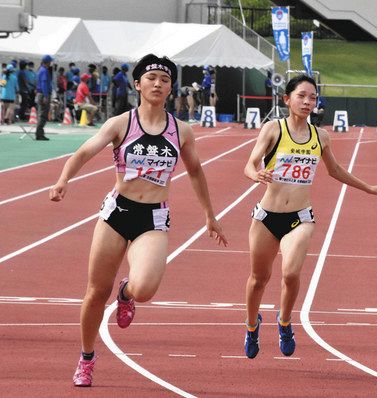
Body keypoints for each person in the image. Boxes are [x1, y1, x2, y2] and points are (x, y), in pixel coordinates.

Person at [48, 53, 228, 387]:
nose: (157, 84)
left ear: (171, 88)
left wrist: (210, 215)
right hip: (117, 212)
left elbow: (196, 172)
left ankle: (127, 294)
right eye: (151, 78)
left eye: (164, 80)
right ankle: (87, 358)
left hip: (154, 216)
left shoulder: (181, 130)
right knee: (95, 292)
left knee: (145, 287)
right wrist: (64, 180)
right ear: (138, 84)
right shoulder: (121, 124)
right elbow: (85, 151)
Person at [242, 75, 377, 359]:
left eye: (312, 97)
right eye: (301, 96)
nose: (307, 102)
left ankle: (285, 322)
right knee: (258, 279)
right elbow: (250, 164)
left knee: (290, 273)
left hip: (300, 217)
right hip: (266, 217)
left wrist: (369, 188)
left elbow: (335, 170)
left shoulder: (320, 136)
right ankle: (252, 326)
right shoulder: (273, 129)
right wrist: (255, 174)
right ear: (287, 99)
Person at [35, 55, 54, 141]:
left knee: (41, 114)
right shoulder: (44, 71)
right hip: (43, 94)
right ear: (48, 62)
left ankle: (39, 133)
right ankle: (39, 133)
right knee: (43, 114)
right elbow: (44, 84)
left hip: (41, 93)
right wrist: (46, 96)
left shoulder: (40, 70)